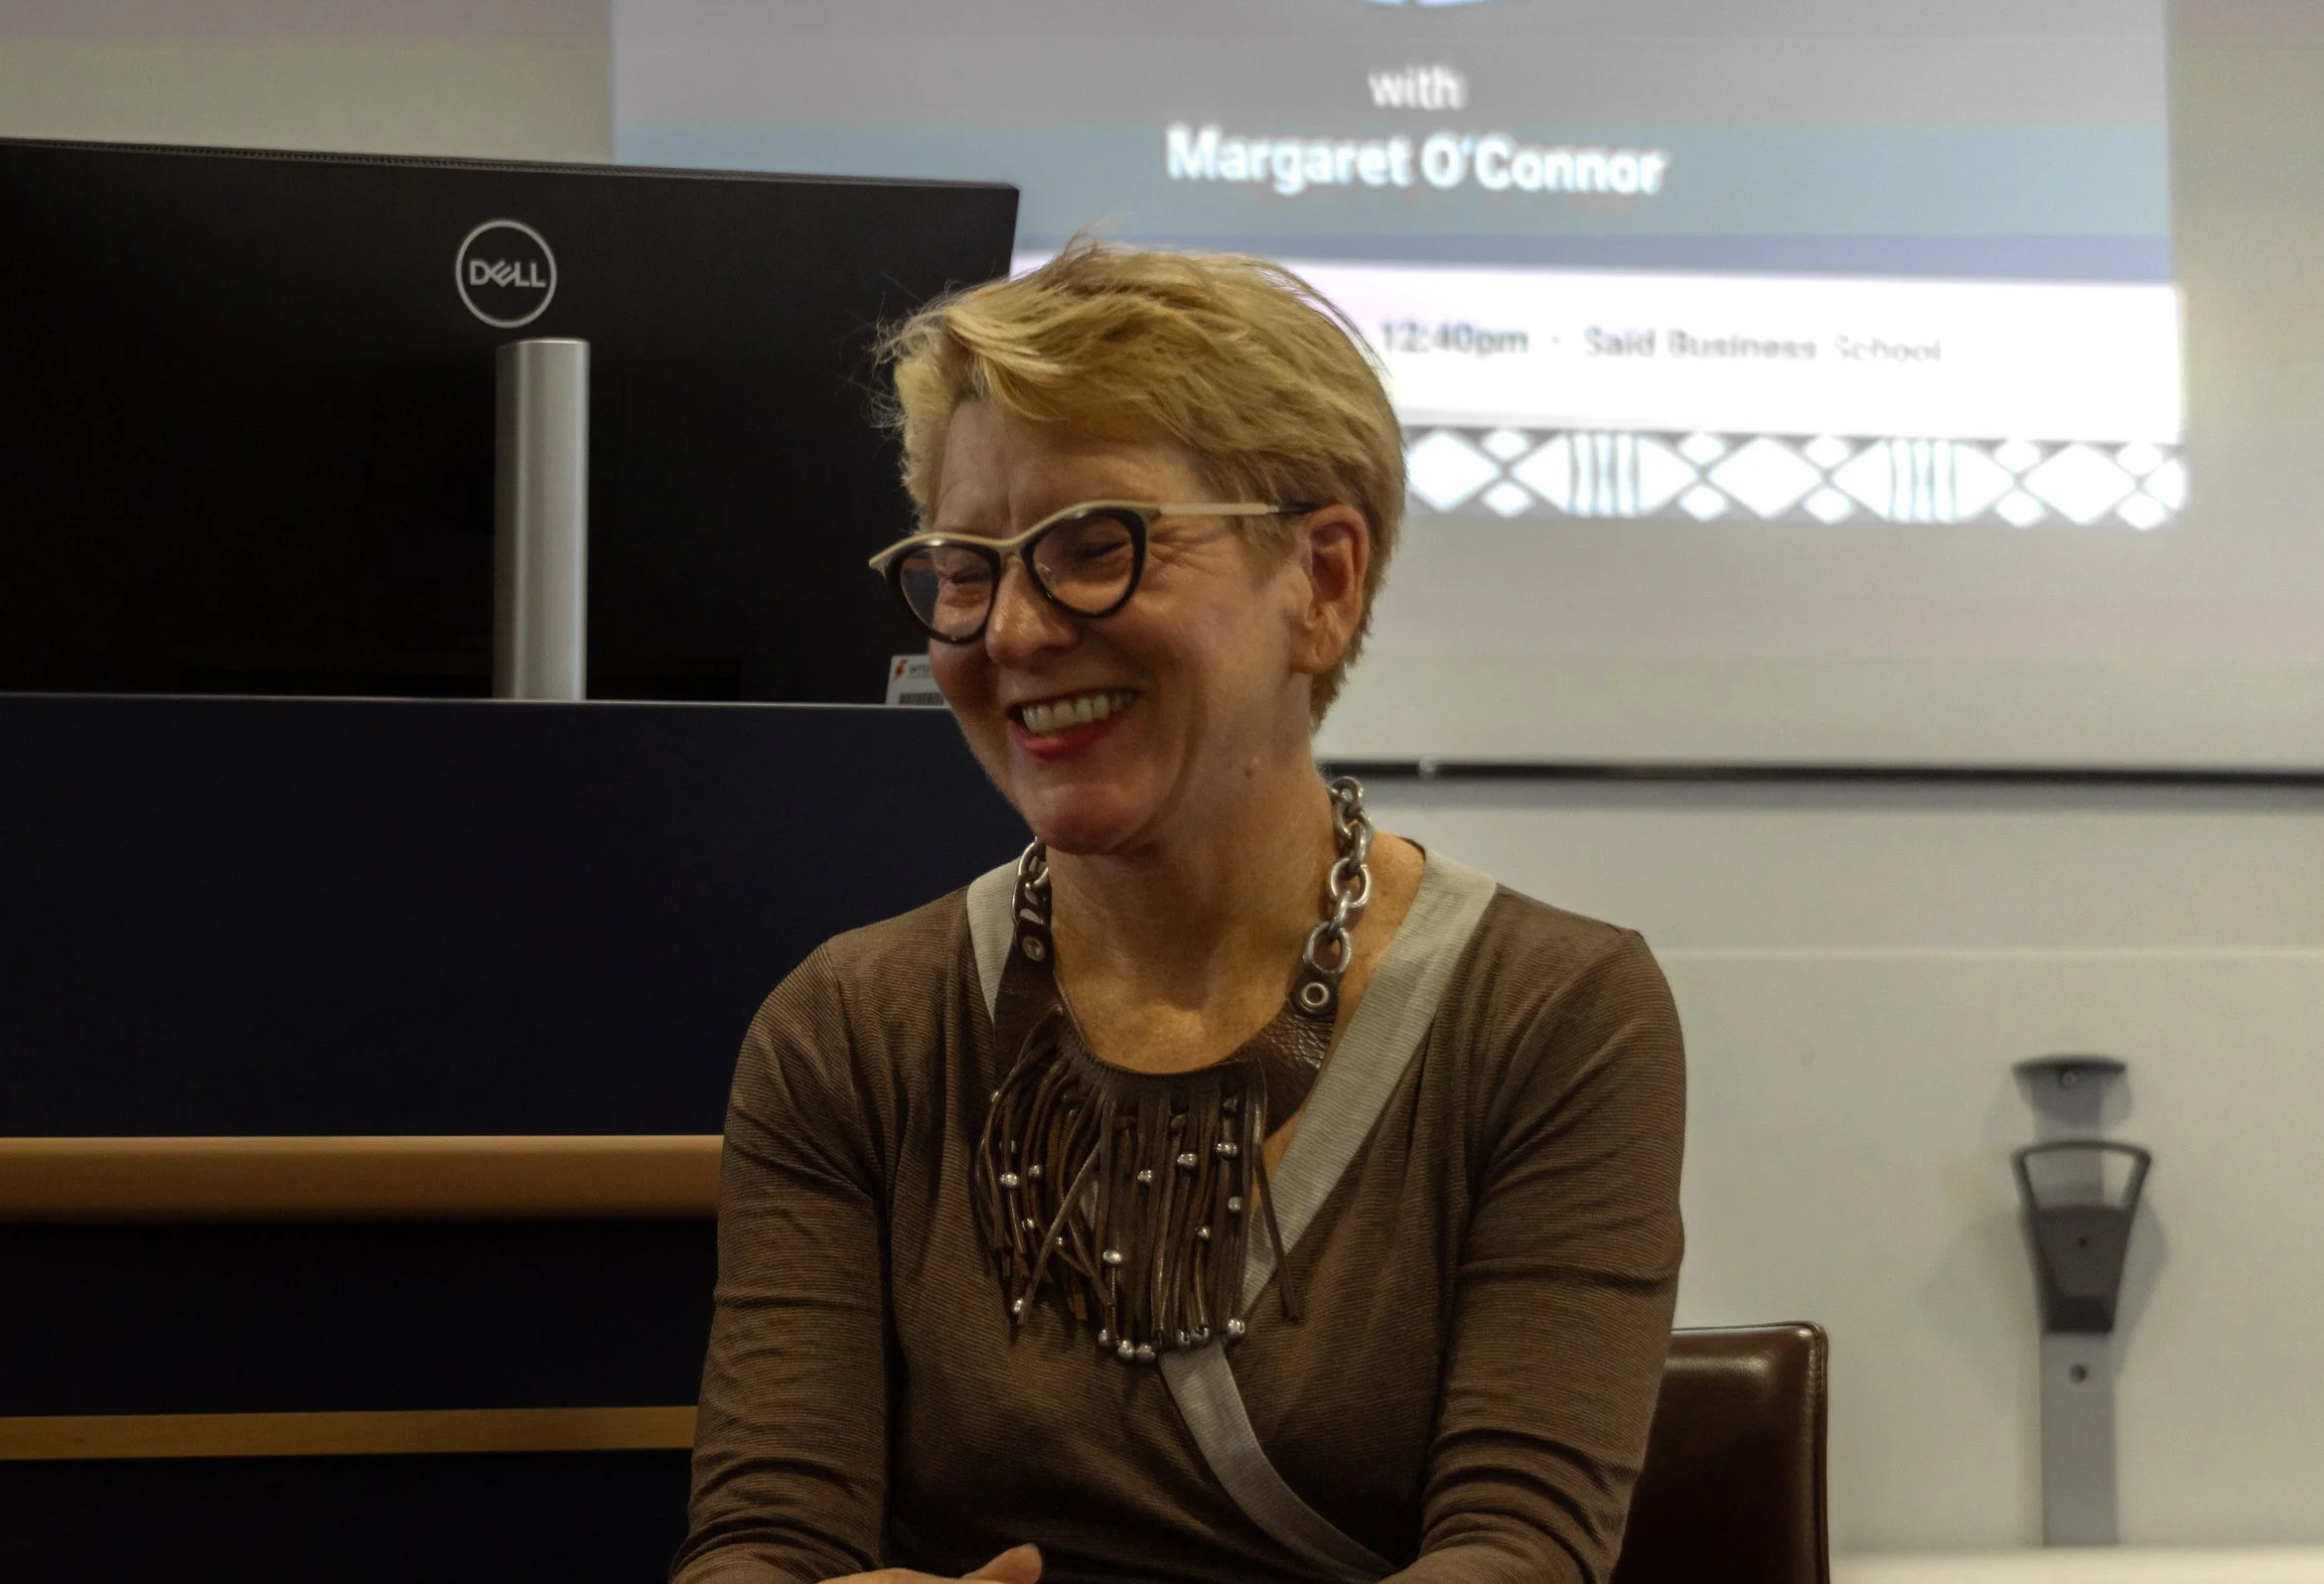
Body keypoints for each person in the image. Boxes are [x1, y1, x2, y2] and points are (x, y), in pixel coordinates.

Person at [672, 241, 1685, 1584]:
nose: (1018, 632)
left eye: (1098, 549)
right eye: (969, 569)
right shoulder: (854, 1026)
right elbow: (761, 1543)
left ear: (1320, 583)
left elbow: (1519, 1552)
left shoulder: (1550, 1013)